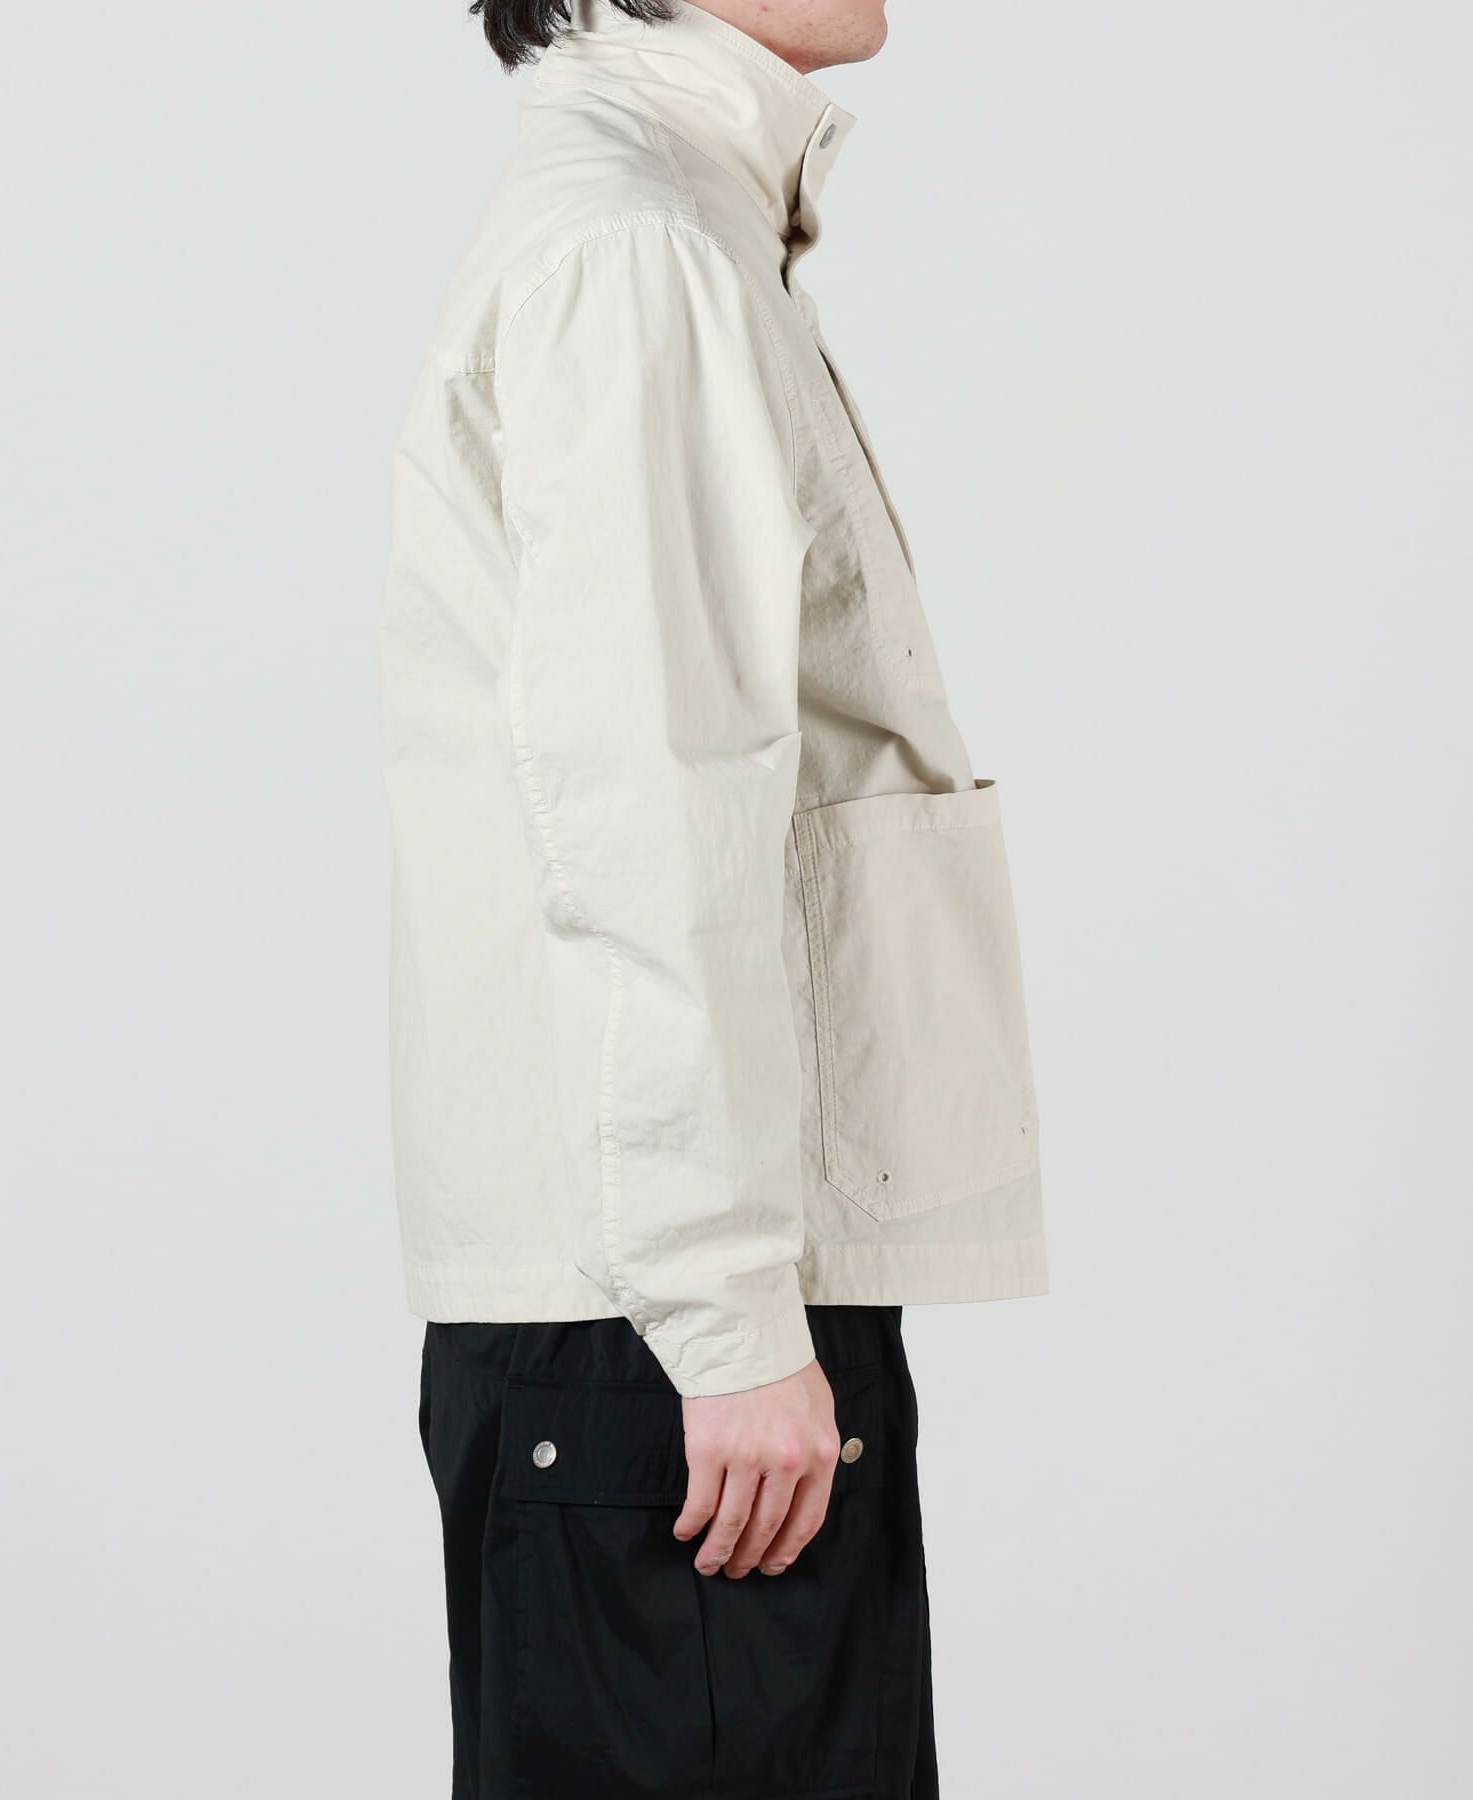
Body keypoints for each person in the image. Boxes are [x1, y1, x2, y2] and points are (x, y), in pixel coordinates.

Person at [381, 2, 1046, 1792]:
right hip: (668, 1326)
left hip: (664, 1305)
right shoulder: (638, 248)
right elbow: (647, 803)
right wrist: (728, 1316)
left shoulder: (665, 218)